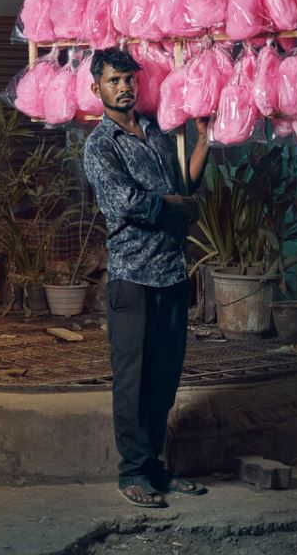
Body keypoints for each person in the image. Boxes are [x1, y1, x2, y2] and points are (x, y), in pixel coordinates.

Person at [83, 46, 211, 508]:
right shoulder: (100, 145)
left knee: (164, 377)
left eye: (129, 79)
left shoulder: (156, 134)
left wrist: (201, 143)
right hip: (132, 279)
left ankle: (155, 465)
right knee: (132, 378)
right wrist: (178, 208)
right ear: (96, 88)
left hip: (171, 273)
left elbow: (182, 187)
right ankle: (132, 472)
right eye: (113, 80)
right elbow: (128, 204)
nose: (123, 87)